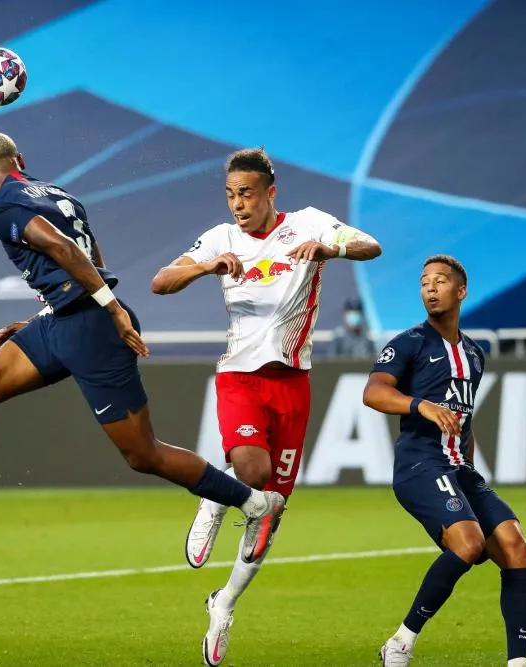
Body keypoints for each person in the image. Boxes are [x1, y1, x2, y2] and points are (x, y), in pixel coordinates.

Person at [0, 133, 285, 559]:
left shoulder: (4, 205)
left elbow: (63, 248)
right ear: (20, 159)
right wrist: (47, 314)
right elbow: (90, 258)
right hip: (63, 320)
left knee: (143, 455)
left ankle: (256, 504)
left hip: (92, 327)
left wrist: (111, 308)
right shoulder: (58, 194)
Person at [151, 148, 382, 666]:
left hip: (293, 384)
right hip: (241, 377)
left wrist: (329, 248)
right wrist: (206, 266)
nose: (238, 204)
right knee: (251, 471)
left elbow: (371, 246)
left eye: (247, 194)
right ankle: (214, 500)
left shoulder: (308, 223)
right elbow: (160, 282)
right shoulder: (220, 238)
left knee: (270, 516)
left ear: (270, 193)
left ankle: (224, 604)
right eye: (231, 195)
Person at [363, 255, 526, 667]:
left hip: (460, 469)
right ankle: (401, 642)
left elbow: (464, 422)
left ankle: (518, 661)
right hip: (420, 465)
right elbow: (373, 392)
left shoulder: (474, 354)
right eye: (424, 282)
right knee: (469, 544)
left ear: (460, 291)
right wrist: (419, 404)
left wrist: (469, 471)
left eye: (439, 281)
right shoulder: (409, 343)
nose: (430, 288)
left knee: (516, 547)